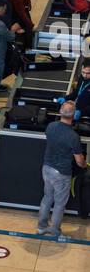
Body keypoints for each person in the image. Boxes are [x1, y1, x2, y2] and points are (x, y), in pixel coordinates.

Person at [37, 100, 86, 239]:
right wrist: (84, 165)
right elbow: (79, 160)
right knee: (59, 204)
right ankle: (55, 232)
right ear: (74, 115)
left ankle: (41, 227)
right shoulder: (73, 136)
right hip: (61, 174)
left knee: (47, 198)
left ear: (60, 112)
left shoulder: (51, 126)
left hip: (46, 168)